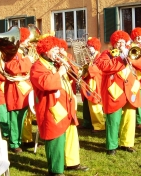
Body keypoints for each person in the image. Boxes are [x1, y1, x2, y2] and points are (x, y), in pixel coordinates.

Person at [30, 36, 88, 176]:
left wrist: (66, 60)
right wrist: (60, 72)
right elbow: (46, 83)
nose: (57, 51)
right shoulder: (37, 66)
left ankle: (72, 162)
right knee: (55, 138)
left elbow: (76, 73)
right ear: (44, 51)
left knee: (70, 135)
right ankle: (56, 170)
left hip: (67, 105)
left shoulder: (56, 63)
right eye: (54, 49)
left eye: (57, 48)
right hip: (52, 108)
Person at [95, 30, 141, 155]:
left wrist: (130, 57)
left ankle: (127, 143)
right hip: (114, 91)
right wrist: (121, 58)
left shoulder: (131, 51)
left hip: (131, 89)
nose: (120, 44)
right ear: (113, 43)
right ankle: (111, 146)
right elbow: (104, 66)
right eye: (117, 42)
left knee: (129, 118)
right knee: (113, 119)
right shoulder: (106, 54)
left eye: (122, 42)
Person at [4, 27, 34, 153]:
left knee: (21, 117)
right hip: (15, 90)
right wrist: (29, 60)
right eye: (26, 40)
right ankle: (14, 143)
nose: (28, 42)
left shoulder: (21, 52)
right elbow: (12, 68)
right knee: (15, 118)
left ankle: (20, 139)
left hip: (23, 89)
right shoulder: (12, 52)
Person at [79, 37, 105, 132]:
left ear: (95, 46)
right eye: (88, 46)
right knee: (87, 103)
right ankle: (88, 123)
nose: (88, 48)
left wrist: (88, 68)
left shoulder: (100, 56)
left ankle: (99, 125)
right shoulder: (89, 57)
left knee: (95, 103)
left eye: (90, 46)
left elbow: (97, 69)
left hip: (95, 82)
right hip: (87, 82)